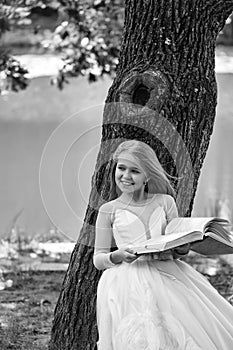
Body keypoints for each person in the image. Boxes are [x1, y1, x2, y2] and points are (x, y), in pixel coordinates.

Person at [93, 140, 233, 350]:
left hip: (168, 272)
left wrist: (183, 247)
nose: (126, 176)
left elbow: (176, 244)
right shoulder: (108, 210)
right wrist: (118, 255)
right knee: (140, 336)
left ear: (147, 175)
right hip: (128, 279)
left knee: (182, 329)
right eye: (121, 168)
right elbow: (98, 259)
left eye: (135, 171)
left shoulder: (165, 202)